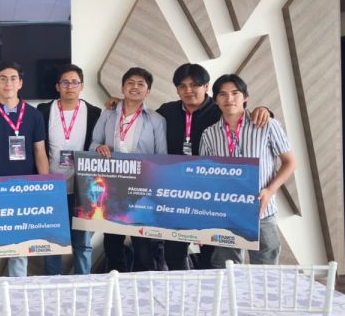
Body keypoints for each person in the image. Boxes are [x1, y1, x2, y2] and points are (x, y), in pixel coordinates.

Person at [156, 63, 271, 270]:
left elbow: (245, 114)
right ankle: (182, 289)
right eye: (182, 86)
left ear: (206, 86)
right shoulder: (167, 111)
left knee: (211, 253)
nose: (188, 90)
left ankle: (208, 289)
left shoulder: (220, 109)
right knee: (173, 251)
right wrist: (119, 103)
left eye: (194, 85)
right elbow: (143, 118)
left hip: (210, 195)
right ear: (177, 90)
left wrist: (265, 110)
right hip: (176, 193)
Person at [200, 74, 295, 267]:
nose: (229, 99)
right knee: (226, 267)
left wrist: (270, 191)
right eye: (222, 94)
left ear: (245, 97)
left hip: (261, 210)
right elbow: (205, 177)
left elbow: (290, 162)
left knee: (265, 267)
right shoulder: (209, 134)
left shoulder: (267, 125)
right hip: (225, 213)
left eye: (235, 93)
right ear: (216, 100)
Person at [0, 61, 50, 278]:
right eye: (3, 79)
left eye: (13, 78)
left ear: (20, 83)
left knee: (20, 248)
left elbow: (40, 152)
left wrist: (46, 186)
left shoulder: (33, 115)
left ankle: (17, 291)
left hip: (24, 190)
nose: (8, 83)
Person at [90, 67, 167, 272]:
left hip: (142, 190)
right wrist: (99, 148)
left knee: (143, 247)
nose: (135, 87)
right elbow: (93, 144)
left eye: (141, 84)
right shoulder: (108, 114)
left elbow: (162, 157)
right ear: (122, 88)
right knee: (112, 244)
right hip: (112, 188)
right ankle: (116, 287)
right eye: (130, 83)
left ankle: (143, 287)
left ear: (148, 91)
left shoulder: (156, 120)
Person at [36, 64, 101, 275]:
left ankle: (84, 283)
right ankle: (53, 282)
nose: (70, 87)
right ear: (57, 86)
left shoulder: (95, 113)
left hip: (82, 187)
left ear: (82, 86)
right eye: (65, 82)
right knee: (52, 242)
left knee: (82, 243)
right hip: (51, 186)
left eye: (74, 82)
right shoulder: (44, 111)